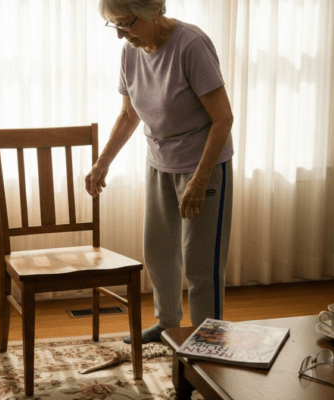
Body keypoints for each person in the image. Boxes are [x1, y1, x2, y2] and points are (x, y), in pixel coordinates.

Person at [87, 0, 234, 344]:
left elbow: (223, 117)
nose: (122, 34)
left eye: (127, 23)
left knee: (201, 263)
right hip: (159, 161)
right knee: (158, 251)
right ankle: (168, 324)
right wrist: (102, 161)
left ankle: (208, 340)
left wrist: (199, 181)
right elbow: (129, 115)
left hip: (203, 166)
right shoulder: (131, 51)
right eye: (116, 26)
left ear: (154, 9)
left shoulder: (191, 45)